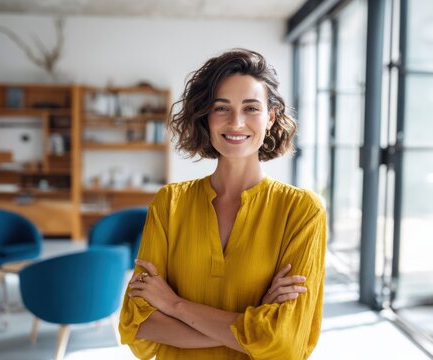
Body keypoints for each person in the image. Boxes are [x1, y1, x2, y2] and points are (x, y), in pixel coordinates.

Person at [119, 48, 327, 360]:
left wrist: (175, 305)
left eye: (251, 108)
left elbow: (285, 342)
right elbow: (139, 324)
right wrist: (252, 325)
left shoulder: (302, 211)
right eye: (222, 108)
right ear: (206, 116)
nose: (236, 122)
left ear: (270, 117)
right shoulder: (170, 203)